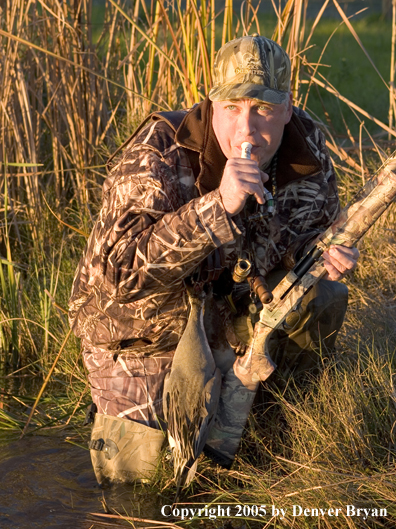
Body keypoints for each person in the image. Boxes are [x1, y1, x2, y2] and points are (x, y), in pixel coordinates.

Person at [69, 35, 359, 485]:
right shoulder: (157, 151)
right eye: (232, 108)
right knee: (141, 482)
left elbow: (303, 243)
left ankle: (279, 430)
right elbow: (118, 274)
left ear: (286, 107)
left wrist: (328, 254)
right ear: (211, 105)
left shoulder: (307, 148)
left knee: (323, 294)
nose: (246, 130)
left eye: (262, 109)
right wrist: (217, 207)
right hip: (145, 335)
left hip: (234, 316)